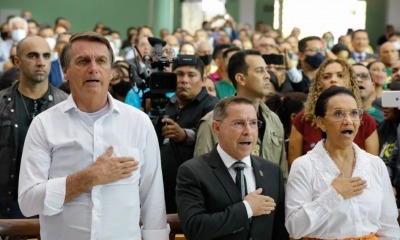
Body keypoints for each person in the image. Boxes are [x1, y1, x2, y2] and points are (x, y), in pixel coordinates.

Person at [18, 31, 169, 239]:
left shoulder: (138, 123)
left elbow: (153, 201)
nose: (93, 68)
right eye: (83, 61)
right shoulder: (44, 125)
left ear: (111, 71)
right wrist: (89, 177)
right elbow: (28, 202)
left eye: (101, 61)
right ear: (66, 72)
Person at [285, 86, 400, 239]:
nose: (348, 121)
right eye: (338, 114)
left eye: (354, 113)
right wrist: (334, 194)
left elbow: (389, 226)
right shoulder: (304, 166)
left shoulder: (375, 164)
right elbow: (294, 227)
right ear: (321, 122)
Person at [176, 96, 288, 240]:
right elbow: (194, 227)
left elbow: (279, 231)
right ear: (217, 128)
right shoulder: (193, 171)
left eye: (253, 123)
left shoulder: (272, 171)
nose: (248, 131)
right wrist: (246, 208)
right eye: (239, 123)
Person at [0, 35, 68, 219]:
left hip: (53, 204)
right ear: (17, 61)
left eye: (46, 56)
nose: (41, 62)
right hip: (8, 204)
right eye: (33, 56)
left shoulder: (67, 105)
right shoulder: (2, 103)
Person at [194, 49, 288, 180]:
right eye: (259, 71)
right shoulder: (213, 120)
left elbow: (282, 173)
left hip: (268, 198)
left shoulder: (273, 120)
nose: (267, 76)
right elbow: (201, 173)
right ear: (241, 78)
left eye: (266, 70)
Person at [288, 58, 379, 165]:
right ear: (319, 84)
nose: (333, 80)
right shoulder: (303, 119)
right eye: (326, 77)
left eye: (340, 75)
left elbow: (373, 167)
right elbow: (294, 164)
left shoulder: (366, 121)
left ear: (350, 82)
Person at [160, 54, 218, 213]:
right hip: (164, 188)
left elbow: (214, 139)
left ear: (203, 78)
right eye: (179, 74)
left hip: (196, 188)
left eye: (191, 75)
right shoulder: (166, 104)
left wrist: (185, 135)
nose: (184, 80)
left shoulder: (214, 107)